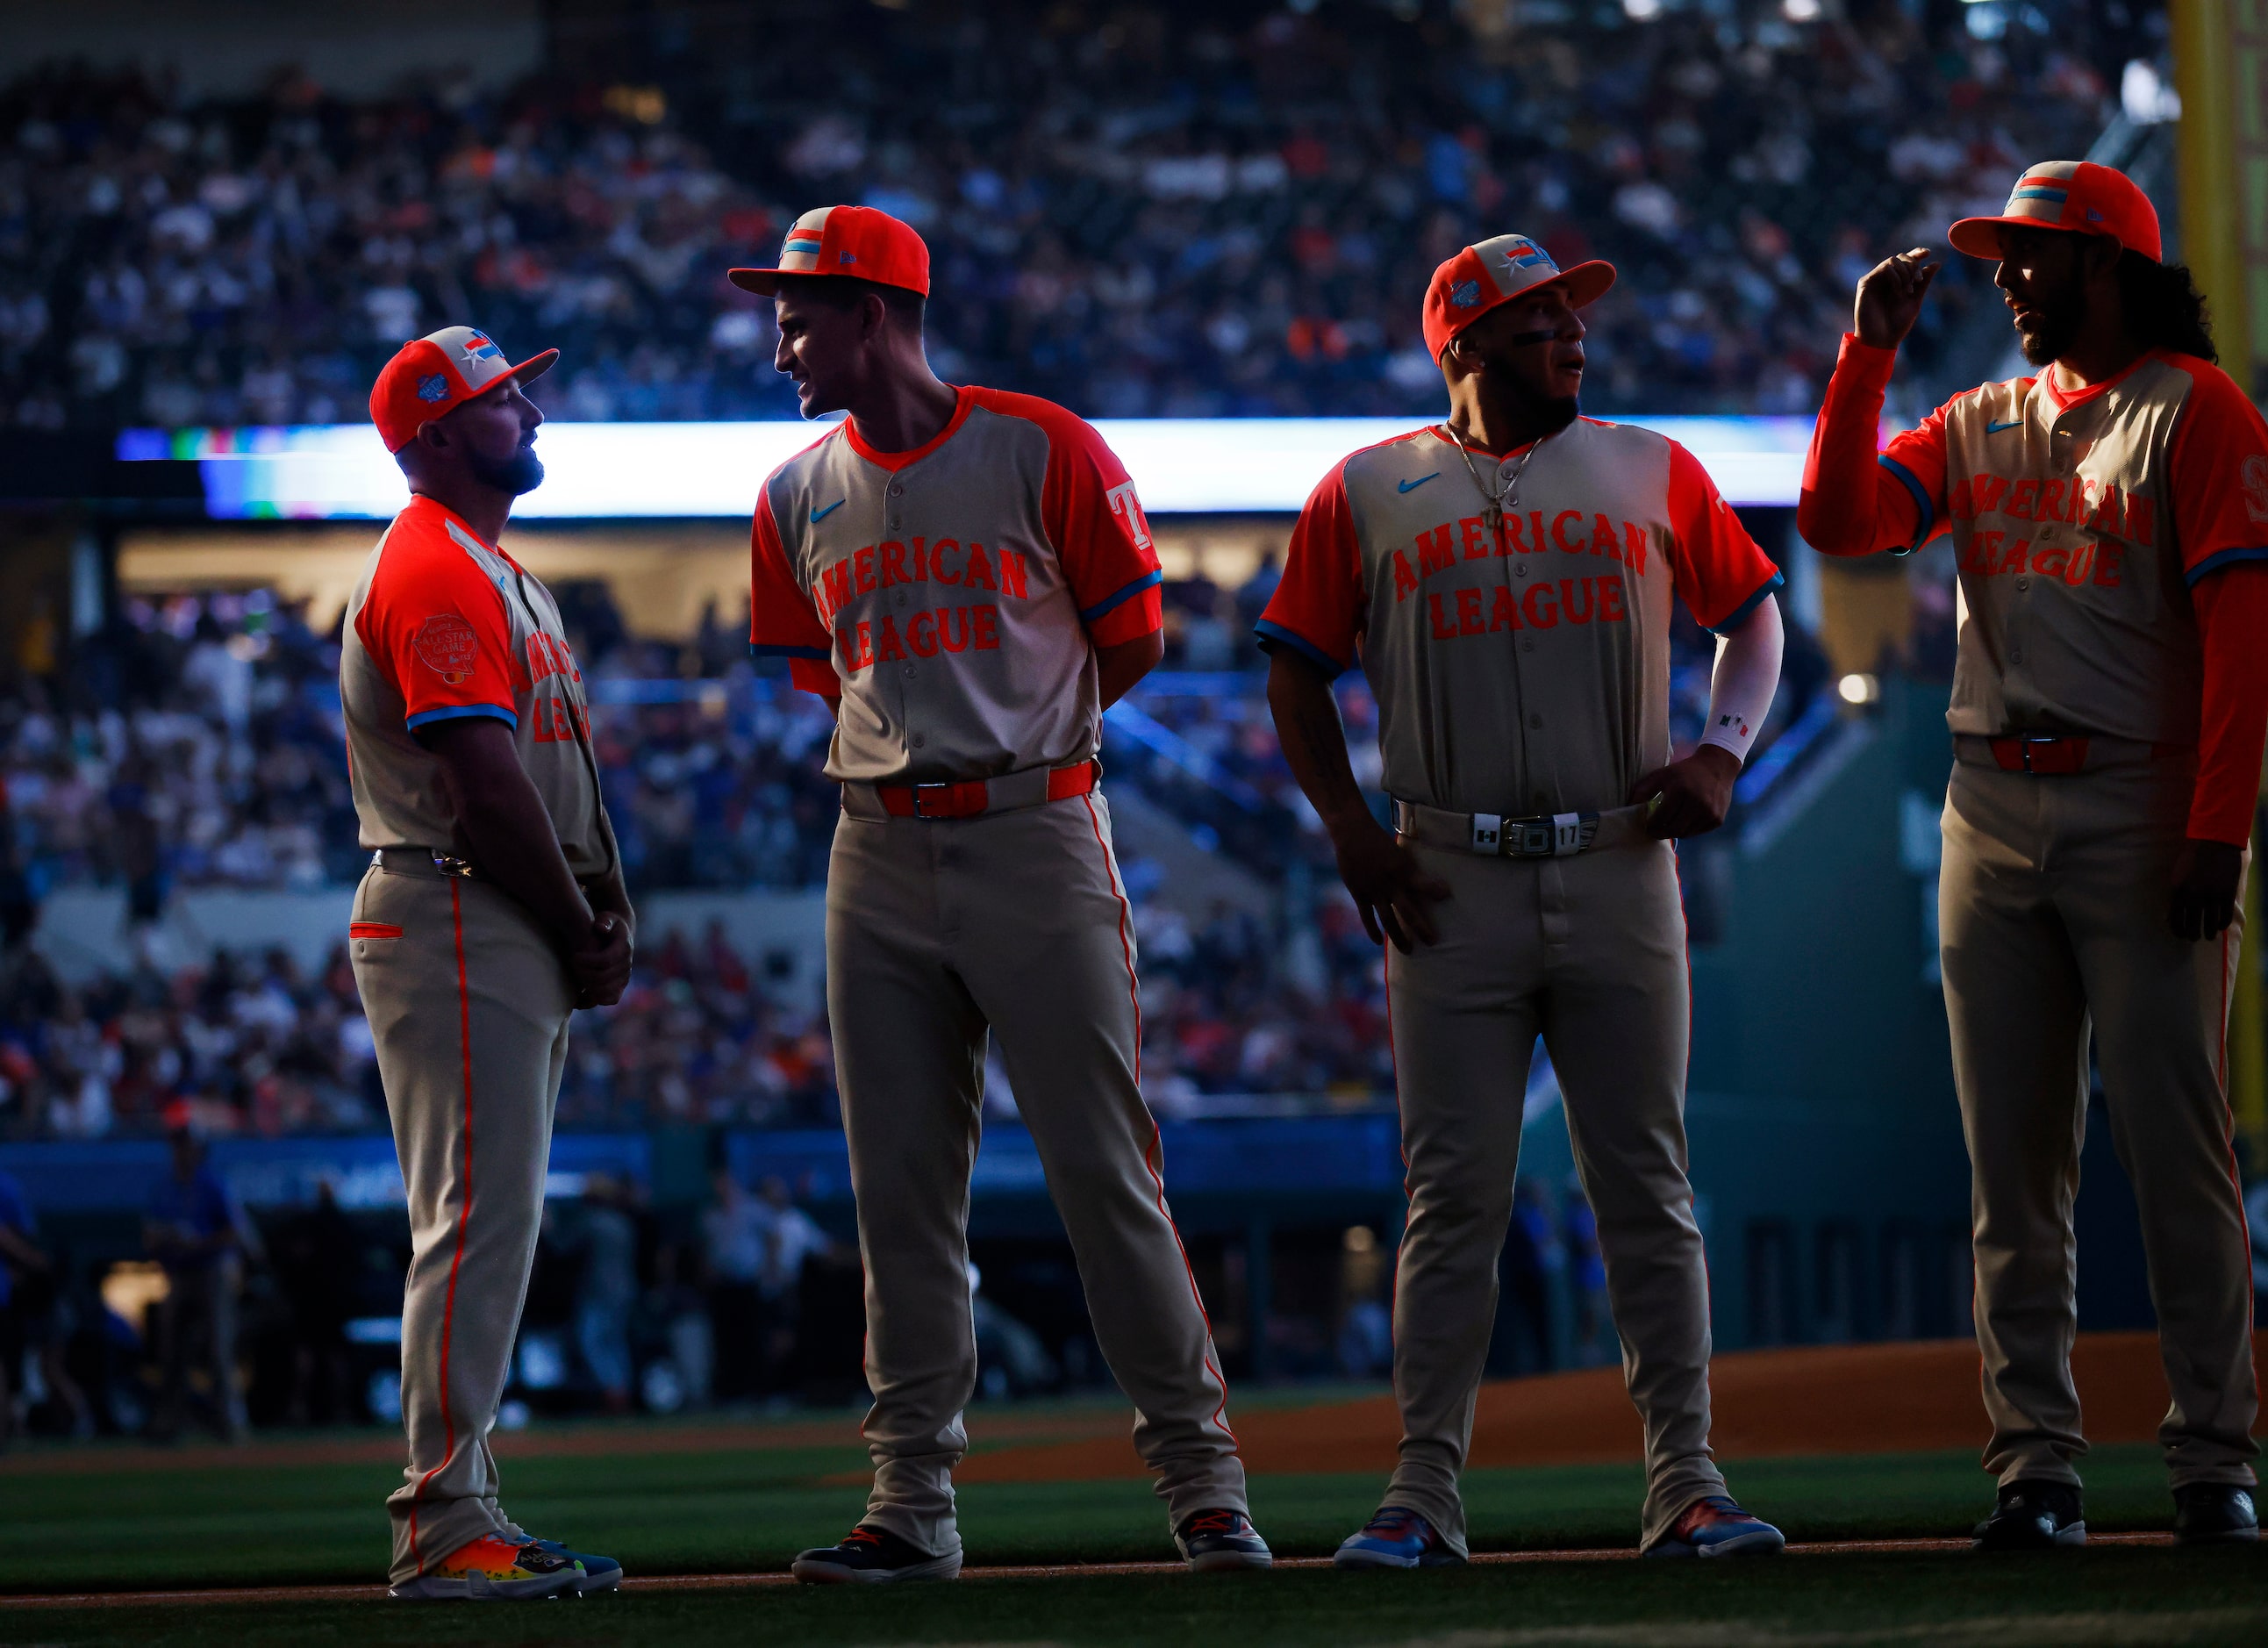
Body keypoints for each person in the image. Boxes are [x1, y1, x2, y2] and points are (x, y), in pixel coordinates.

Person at [740, 205, 1269, 1580]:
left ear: (872, 312)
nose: (778, 339)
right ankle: (911, 1502)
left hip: (1035, 826)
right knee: (898, 1192)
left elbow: (1133, 635)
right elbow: (820, 676)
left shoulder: (1042, 443)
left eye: (798, 314)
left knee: (1105, 1171)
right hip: (877, 843)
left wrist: (1025, 746)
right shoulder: (791, 490)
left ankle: (1205, 1486)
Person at [1259, 231, 1790, 1567]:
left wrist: (1724, 745)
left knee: (1645, 1188)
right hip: (1447, 875)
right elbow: (1294, 669)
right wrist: (1346, 830)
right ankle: (1420, 1493)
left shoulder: (1649, 462)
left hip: (1620, 856)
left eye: (1570, 314)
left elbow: (1755, 612)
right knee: (1451, 1197)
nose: (1574, 333)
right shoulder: (1367, 486)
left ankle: (1690, 1483)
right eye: (1541, 317)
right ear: (1467, 342)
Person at [1798, 161, 2268, 1550]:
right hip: (1988, 805)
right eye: (2001, 256)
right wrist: (1863, 358)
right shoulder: (1977, 415)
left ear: (2108, 263)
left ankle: (2212, 1462)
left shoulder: (2196, 411)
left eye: (2033, 255)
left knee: (2177, 1158)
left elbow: (2245, 645)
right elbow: (1843, 525)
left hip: (2141, 809)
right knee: (2012, 1170)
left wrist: (2214, 832)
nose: (2007, 275)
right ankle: (2036, 1470)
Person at [344, 325, 636, 1599]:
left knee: (486, 1218)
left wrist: (589, 911)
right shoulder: (431, 565)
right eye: (504, 401)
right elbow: (483, 786)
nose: (529, 414)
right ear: (438, 432)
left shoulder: (494, 566)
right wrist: (577, 924)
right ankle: (443, 1523)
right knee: (473, 1219)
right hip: (460, 903)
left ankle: (468, 1507)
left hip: (491, 910)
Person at [143, 1120, 251, 1442]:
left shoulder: (211, 1184)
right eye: (178, 1145)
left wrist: (198, 1242)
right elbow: (148, 1233)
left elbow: (234, 1232)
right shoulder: (165, 1185)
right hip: (179, 1271)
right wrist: (167, 1239)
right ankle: (171, 1423)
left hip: (211, 1269)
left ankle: (229, 1423)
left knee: (218, 1347)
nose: (182, 1151)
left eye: (187, 1145)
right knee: (172, 1349)